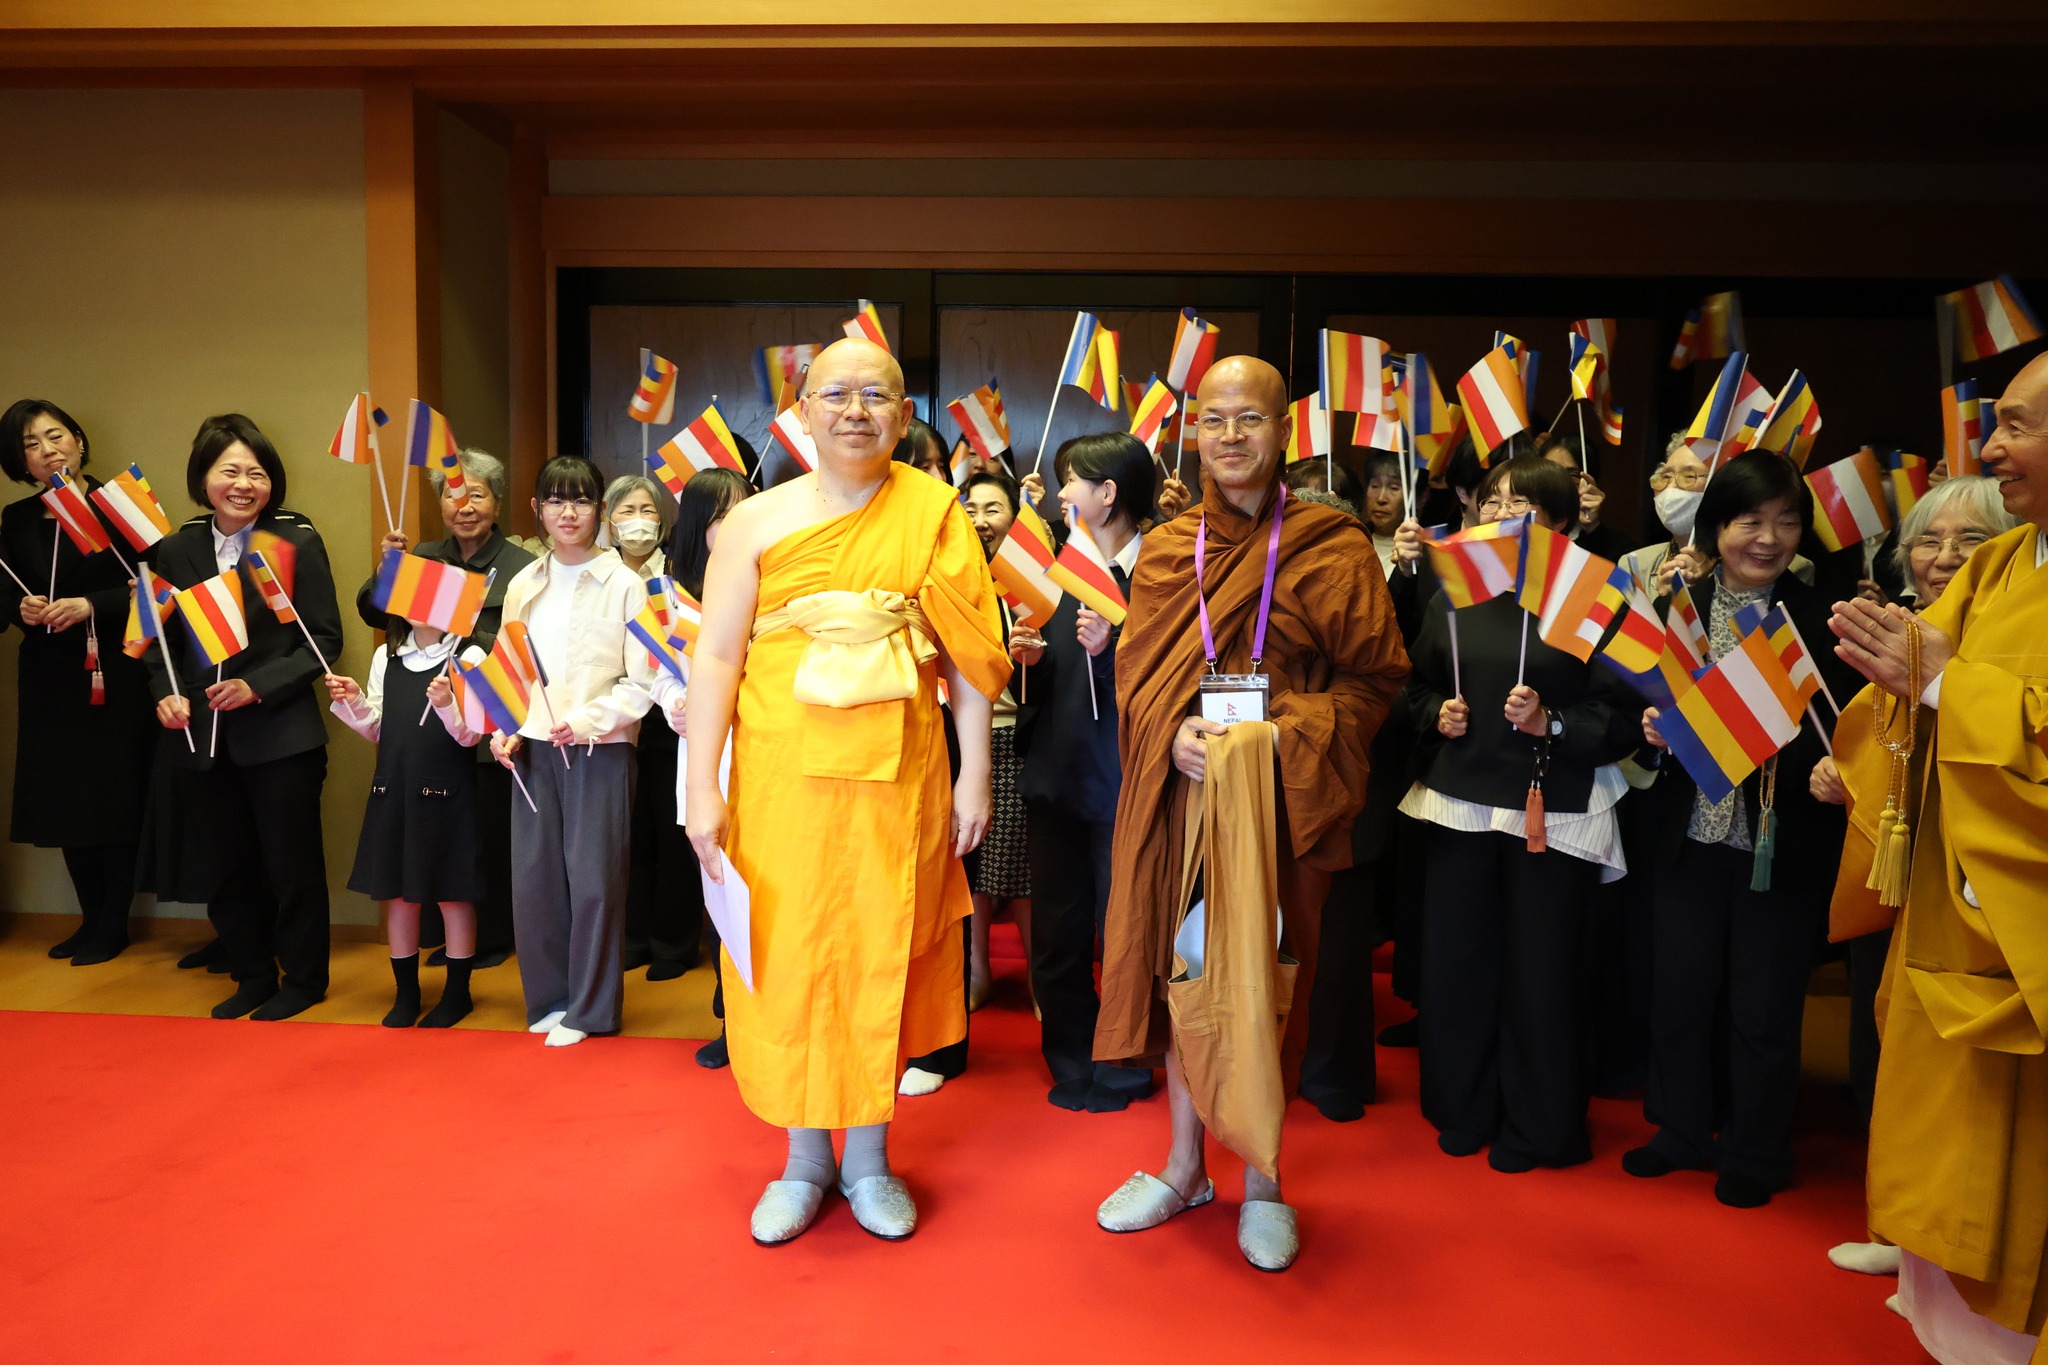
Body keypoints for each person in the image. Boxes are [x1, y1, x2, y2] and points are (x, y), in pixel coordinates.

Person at [684, 338, 1010, 1245]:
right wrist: (700, 787)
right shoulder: (754, 520)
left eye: (877, 394)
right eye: (838, 393)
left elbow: (971, 662)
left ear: (905, 416)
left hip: (898, 777)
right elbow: (714, 656)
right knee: (789, 955)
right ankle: (802, 1157)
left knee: (880, 948)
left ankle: (867, 1157)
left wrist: (975, 772)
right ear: (803, 409)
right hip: (782, 778)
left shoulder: (935, 512)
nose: (856, 410)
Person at [1093, 356, 1409, 1271]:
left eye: (1251, 420)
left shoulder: (1331, 544)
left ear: (1284, 431)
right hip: (1190, 793)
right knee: (1186, 964)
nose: (1231, 437)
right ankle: (1186, 1164)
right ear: (1194, 431)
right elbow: (1138, 681)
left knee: (1270, 974)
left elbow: (1377, 678)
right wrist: (1172, 733)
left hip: (1282, 795)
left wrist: (1285, 728)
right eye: (1214, 419)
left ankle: (1265, 1176)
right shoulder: (1165, 547)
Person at [1832, 352, 2048, 1362]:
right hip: (1951, 913)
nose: (1992, 447)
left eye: (2017, 427)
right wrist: (1901, 687)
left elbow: (1956, 691)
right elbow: (1918, 693)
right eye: (1995, 425)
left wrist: (1940, 688)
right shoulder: (2005, 566)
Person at [1631, 451, 1860, 1207]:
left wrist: (1836, 773)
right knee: (1681, 992)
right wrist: (1651, 733)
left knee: (1765, 1007)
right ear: (1717, 524)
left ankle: (1759, 1151)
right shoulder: (1677, 611)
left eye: (1787, 521)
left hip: (1777, 844)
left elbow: (1853, 730)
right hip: (1688, 837)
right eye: (1749, 520)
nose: (1768, 537)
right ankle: (1680, 1130)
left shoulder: (1823, 618)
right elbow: (1636, 710)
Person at [1402, 456, 1639, 1170]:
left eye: (1527, 506)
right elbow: (1408, 686)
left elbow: (1627, 711)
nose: (1507, 517)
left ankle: (1539, 1126)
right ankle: (1462, 1106)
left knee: (1543, 973)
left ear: (1563, 522)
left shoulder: (1594, 594)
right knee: (1457, 964)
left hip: (1554, 805)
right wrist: (1432, 714)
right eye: (1496, 503)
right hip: (1459, 802)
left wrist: (1554, 724)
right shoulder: (1453, 590)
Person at [1810, 474, 2017, 1284]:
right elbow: (1879, 744)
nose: (1943, 557)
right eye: (1929, 540)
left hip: (1978, 888)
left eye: (1969, 541)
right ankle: (1900, 1232)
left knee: (1962, 1076)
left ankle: (1953, 1260)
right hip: (1891, 875)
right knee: (1885, 1049)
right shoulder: (1901, 625)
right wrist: (1842, 774)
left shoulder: (2005, 635)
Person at [141, 413, 343, 1021]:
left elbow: (322, 641)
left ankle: (304, 981)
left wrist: (255, 687)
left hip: (281, 736)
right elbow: (157, 645)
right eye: (229, 470)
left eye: (256, 472)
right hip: (200, 737)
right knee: (226, 868)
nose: (243, 483)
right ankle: (252, 972)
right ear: (203, 478)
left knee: (292, 868)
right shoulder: (175, 548)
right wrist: (164, 693)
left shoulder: (291, 542)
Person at [1011, 437, 1157, 1114]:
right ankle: (1070, 1052)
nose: (1060, 493)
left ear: (1111, 493)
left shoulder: (1163, 567)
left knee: (1124, 928)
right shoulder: (1053, 568)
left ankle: (1125, 1058)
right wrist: (1025, 657)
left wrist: (1119, 643)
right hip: (1057, 772)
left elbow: (1187, 669)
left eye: (1074, 482)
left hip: (1128, 776)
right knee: (1059, 930)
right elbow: (1033, 681)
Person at [490, 456, 654, 1047]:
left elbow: (643, 682)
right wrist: (504, 726)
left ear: (599, 511)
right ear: (536, 510)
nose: (568, 512)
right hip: (530, 748)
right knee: (533, 882)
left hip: (599, 750)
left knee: (593, 882)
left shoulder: (626, 584)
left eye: (580, 500)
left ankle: (589, 1009)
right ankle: (550, 998)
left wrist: (587, 720)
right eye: (555, 501)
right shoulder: (523, 582)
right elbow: (510, 672)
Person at [353, 449, 534, 969]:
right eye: (453, 495)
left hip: (492, 718)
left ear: (498, 502)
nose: (465, 505)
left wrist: (465, 637)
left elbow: (519, 646)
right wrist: (389, 569)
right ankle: (440, 942)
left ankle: (493, 939)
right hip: (426, 729)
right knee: (432, 839)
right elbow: (376, 610)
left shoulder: (521, 566)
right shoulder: (426, 557)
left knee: (487, 838)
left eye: (477, 493)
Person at [0, 399, 156, 966]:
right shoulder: (16, 519)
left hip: (115, 669)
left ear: (79, 440)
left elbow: (160, 586)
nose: (49, 450)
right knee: (65, 801)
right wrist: (24, 607)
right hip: (48, 676)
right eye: (32, 445)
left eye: (56, 435)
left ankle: (115, 924)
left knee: (112, 796)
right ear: (21, 463)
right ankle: (89, 918)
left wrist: (90, 603)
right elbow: (4, 593)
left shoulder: (122, 504)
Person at [326, 590, 485, 1028]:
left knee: (453, 894)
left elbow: (472, 736)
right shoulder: (387, 656)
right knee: (397, 894)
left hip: (448, 791)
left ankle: (457, 994)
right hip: (393, 790)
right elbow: (378, 727)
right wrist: (354, 698)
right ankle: (406, 993)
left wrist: (447, 704)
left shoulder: (467, 654)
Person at [653, 467, 752, 1071]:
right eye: (718, 515)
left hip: (763, 751)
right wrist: (674, 702)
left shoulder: (769, 578)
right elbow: (657, 673)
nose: (731, 524)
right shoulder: (672, 592)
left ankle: (758, 1018)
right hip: (703, 760)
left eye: (740, 510)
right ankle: (727, 1015)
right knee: (718, 896)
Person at [603, 473, 699, 982]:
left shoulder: (678, 574)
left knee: (671, 833)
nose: (638, 520)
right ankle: (634, 936)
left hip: (668, 721)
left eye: (646, 509)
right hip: (614, 721)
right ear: (609, 520)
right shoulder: (599, 573)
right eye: (626, 510)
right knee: (629, 836)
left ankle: (674, 943)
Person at [957, 467, 1033, 1019]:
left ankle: (1040, 978)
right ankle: (977, 970)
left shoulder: (1033, 578)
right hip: (962, 741)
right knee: (973, 870)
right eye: (972, 510)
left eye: (993, 509)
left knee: (1023, 871)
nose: (981, 521)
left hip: (1020, 738)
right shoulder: (955, 578)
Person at [1537, 429, 1634, 562]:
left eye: (1572, 475)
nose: (1559, 482)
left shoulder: (1622, 550)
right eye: (1550, 473)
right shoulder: (1521, 535)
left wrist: (1592, 528)